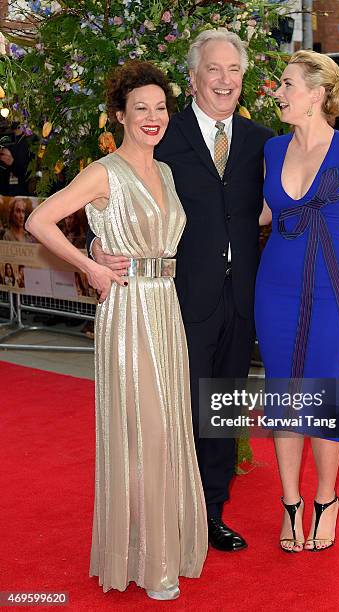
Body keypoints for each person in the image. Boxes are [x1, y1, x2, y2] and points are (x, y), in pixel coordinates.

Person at [87, 28, 339, 552]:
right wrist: (100, 243)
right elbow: (113, 188)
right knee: (174, 406)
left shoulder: (266, 142)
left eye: (233, 70)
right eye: (213, 69)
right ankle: (166, 511)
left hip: (247, 298)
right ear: (192, 79)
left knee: (223, 409)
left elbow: (297, 200)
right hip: (178, 296)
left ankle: (211, 512)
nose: (224, 80)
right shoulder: (161, 132)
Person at [26, 60, 207, 601]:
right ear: (121, 116)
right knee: (145, 432)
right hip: (128, 314)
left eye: (159, 108)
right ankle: (151, 565)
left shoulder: (168, 172)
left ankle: (155, 551)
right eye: (140, 109)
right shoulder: (104, 172)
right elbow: (39, 220)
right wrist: (93, 266)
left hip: (165, 308)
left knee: (169, 428)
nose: (152, 118)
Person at [255, 50, 339, 552]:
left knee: (322, 398)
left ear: (317, 94)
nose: (279, 93)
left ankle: (326, 499)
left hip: (334, 288)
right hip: (275, 288)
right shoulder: (271, 150)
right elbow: (265, 214)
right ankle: (290, 504)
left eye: (287, 84)